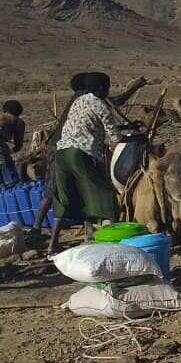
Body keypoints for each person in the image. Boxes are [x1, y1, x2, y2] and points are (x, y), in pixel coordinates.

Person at [48, 72, 124, 252]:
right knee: (105, 194)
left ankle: (53, 243)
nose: (108, 91)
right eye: (107, 87)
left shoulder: (78, 101)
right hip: (80, 154)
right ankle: (116, 239)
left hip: (61, 154)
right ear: (101, 88)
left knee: (65, 197)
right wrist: (131, 136)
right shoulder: (100, 105)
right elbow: (115, 137)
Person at [0, 100, 25, 186]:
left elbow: (18, 145)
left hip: (4, 152)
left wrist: (9, 152)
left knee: (11, 183)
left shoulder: (19, 123)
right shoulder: (18, 122)